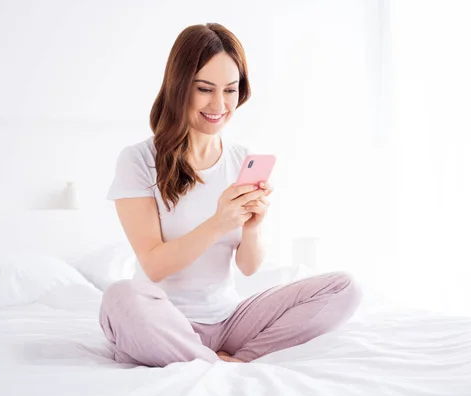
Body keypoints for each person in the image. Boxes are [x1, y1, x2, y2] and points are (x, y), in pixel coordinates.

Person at [99, 22, 362, 366]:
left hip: (228, 320)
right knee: (121, 297)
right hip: (165, 319)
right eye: (205, 89)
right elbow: (154, 264)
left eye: (230, 90)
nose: (219, 104)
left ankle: (234, 361)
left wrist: (253, 225)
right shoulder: (138, 160)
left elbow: (249, 268)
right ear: (179, 87)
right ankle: (209, 361)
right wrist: (219, 223)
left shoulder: (241, 159)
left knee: (345, 288)